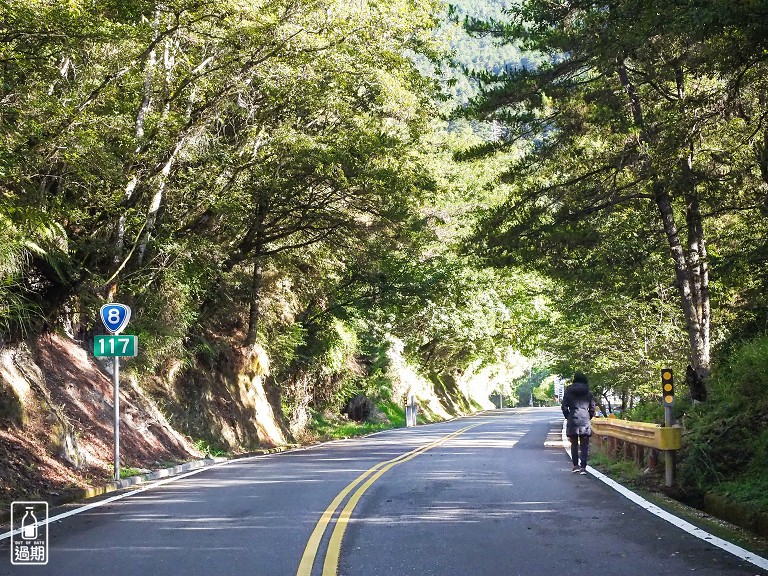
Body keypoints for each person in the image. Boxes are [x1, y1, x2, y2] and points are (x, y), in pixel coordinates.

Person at [561, 371, 596, 475]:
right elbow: (592, 407)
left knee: (574, 444)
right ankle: (583, 467)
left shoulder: (568, 390)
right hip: (585, 419)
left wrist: (568, 416)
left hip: (573, 418)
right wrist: (588, 416)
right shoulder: (588, 392)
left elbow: (564, 406)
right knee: (585, 445)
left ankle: (575, 465)